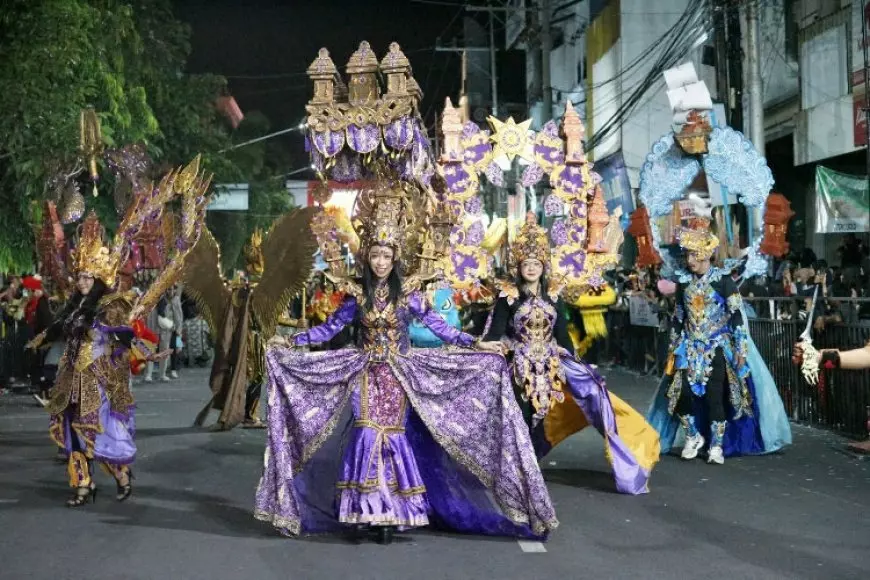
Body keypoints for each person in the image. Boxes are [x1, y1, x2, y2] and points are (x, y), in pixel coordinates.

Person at [256, 180, 557, 545]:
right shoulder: (356, 295)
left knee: (393, 435)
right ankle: (365, 509)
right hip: (365, 372)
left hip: (399, 374)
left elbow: (437, 326)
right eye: (375, 255)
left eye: (387, 255)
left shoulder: (409, 296)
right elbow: (330, 328)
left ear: (395, 258)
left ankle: (394, 510)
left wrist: (476, 343)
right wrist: (290, 340)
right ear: (367, 257)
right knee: (366, 430)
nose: (380, 262)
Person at [482, 216, 660, 494]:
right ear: (518, 267)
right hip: (518, 367)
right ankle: (519, 470)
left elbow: (563, 336)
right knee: (520, 416)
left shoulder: (554, 295)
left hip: (550, 366)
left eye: (536, 264)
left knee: (562, 410)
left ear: (543, 267)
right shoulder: (509, 295)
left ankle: (531, 465)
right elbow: (494, 333)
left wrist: (575, 363)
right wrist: (486, 346)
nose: (531, 268)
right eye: (526, 264)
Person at [646, 216, 791, 464]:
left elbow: (736, 318)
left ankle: (716, 445)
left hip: (718, 346)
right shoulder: (683, 283)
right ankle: (692, 436)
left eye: (693, 255)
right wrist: (673, 347)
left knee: (715, 395)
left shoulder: (723, 281)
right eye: (687, 255)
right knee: (680, 396)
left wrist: (741, 350)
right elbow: (679, 317)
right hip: (688, 347)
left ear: (705, 254)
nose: (689, 260)